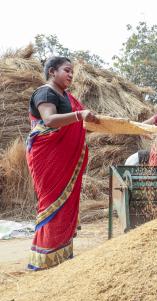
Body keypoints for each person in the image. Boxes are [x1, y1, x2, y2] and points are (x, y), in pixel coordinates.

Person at [26, 56, 99, 270]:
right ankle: (44, 257)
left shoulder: (68, 97)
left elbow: (79, 122)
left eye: (72, 72)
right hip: (48, 156)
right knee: (51, 202)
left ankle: (61, 255)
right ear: (52, 72)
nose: (71, 75)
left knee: (66, 202)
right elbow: (49, 120)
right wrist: (79, 116)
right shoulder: (45, 92)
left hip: (62, 155)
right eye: (67, 70)